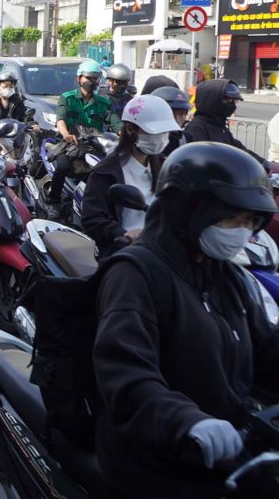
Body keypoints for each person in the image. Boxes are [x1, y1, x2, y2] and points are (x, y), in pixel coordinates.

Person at [92, 143, 279, 499]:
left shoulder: (227, 276)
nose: (240, 231)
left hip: (227, 453)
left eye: (248, 222)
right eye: (229, 219)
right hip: (155, 462)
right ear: (187, 211)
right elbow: (126, 375)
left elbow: (266, 348)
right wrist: (188, 422)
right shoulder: (135, 274)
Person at [80, 96, 179, 259]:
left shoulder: (165, 166)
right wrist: (124, 234)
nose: (161, 137)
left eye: (165, 132)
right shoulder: (105, 172)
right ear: (131, 130)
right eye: (154, 132)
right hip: (124, 255)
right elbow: (92, 219)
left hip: (162, 250)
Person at [46, 60, 120, 215]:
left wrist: (127, 135)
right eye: (89, 78)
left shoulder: (103, 102)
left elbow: (115, 123)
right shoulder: (67, 98)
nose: (92, 82)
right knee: (63, 167)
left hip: (93, 146)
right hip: (68, 145)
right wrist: (66, 135)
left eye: (95, 78)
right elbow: (60, 119)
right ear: (79, 79)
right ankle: (53, 201)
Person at [183, 79, 268, 169]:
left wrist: (264, 164)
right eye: (226, 100)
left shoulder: (220, 127)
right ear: (212, 100)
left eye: (233, 101)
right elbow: (202, 162)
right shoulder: (196, 128)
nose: (232, 105)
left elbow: (240, 150)